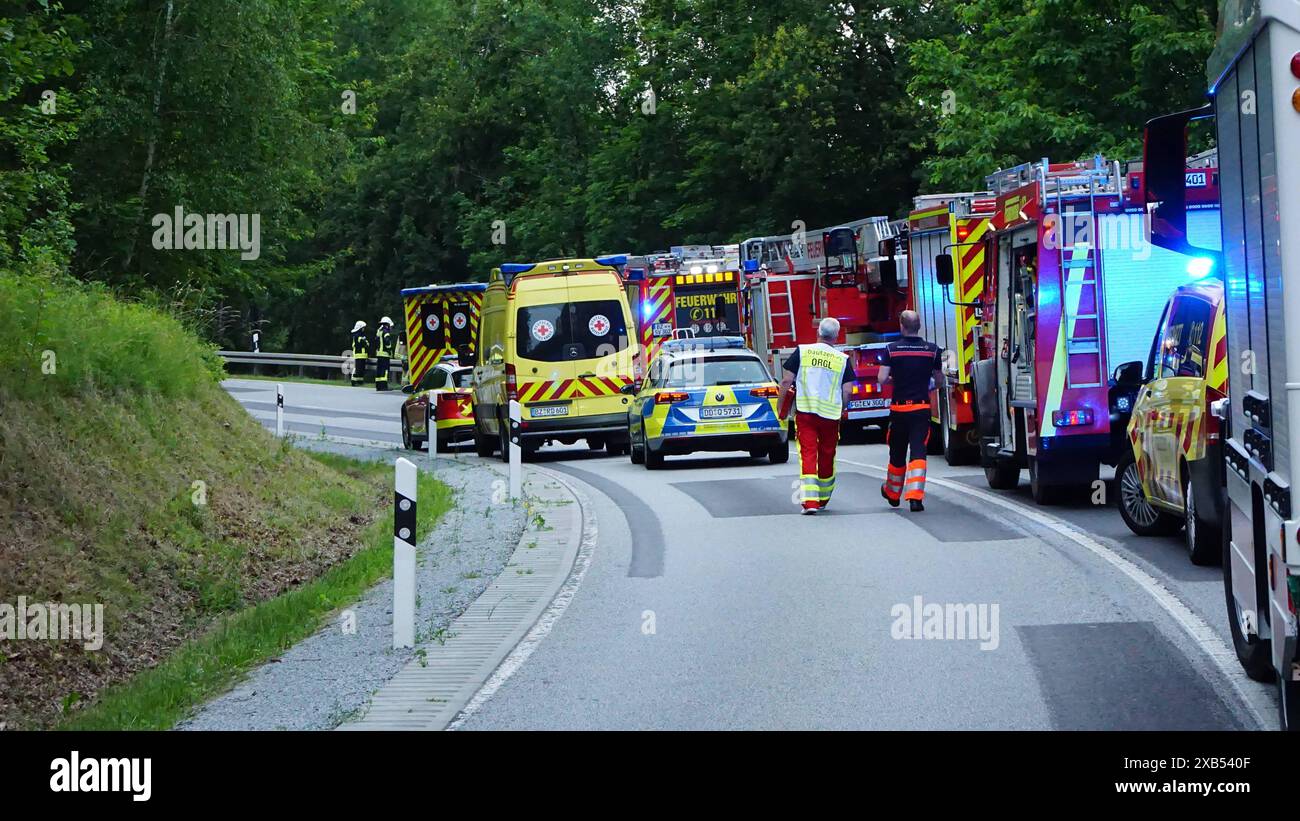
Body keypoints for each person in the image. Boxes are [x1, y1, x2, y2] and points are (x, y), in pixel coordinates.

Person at [779, 317, 854, 515]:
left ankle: (810, 502)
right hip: (830, 415)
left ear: (818, 332)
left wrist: (782, 407)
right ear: (836, 337)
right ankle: (823, 497)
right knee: (828, 453)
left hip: (806, 413)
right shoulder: (842, 359)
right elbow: (848, 391)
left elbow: (787, 381)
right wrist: (842, 408)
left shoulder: (803, 351)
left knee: (808, 454)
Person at [876, 310, 944, 512]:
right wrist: (930, 384)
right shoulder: (932, 350)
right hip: (921, 408)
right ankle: (915, 497)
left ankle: (893, 493)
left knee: (896, 452)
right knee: (918, 451)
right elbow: (939, 379)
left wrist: (895, 379)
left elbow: (881, 378)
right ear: (919, 326)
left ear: (901, 326)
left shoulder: (891, 349)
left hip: (899, 409)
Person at [374, 316, 395, 391]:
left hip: (379, 353)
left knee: (379, 370)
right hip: (385, 354)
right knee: (385, 371)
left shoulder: (379, 331)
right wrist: (389, 349)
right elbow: (387, 341)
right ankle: (384, 386)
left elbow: (376, 341)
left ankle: (378, 386)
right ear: (388, 324)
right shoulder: (386, 332)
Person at [350, 320, 369, 386]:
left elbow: (366, 344)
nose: (364, 329)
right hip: (359, 355)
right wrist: (365, 342)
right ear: (360, 328)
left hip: (362, 355)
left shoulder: (360, 336)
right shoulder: (357, 336)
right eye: (363, 328)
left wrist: (366, 342)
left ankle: (360, 381)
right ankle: (354, 380)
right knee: (358, 368)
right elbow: (365, 344)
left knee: (361, 369)